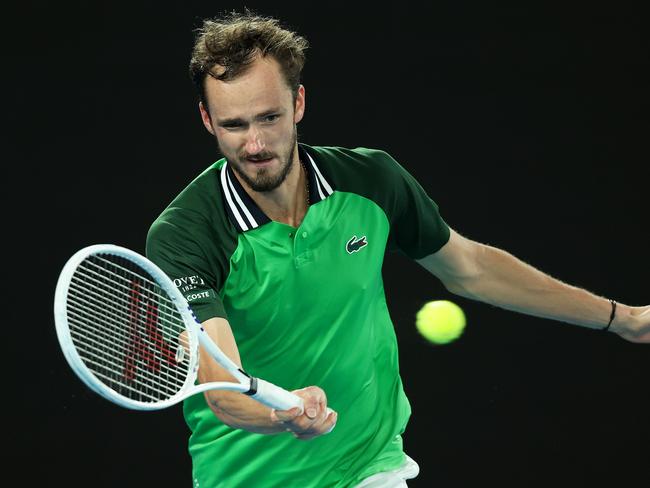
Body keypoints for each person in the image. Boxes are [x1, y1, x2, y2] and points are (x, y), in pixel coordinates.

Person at [145, 11, 649, 488]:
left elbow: (469, 268)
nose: (255, 144)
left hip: (368, 464)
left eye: (270, 117)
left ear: (298, 103)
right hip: (244, 478)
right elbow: (225, 389)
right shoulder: (186, 233)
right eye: (234, 125)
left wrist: (622, 318)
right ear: (208, 120)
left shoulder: (372, 181)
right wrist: (281, 414)